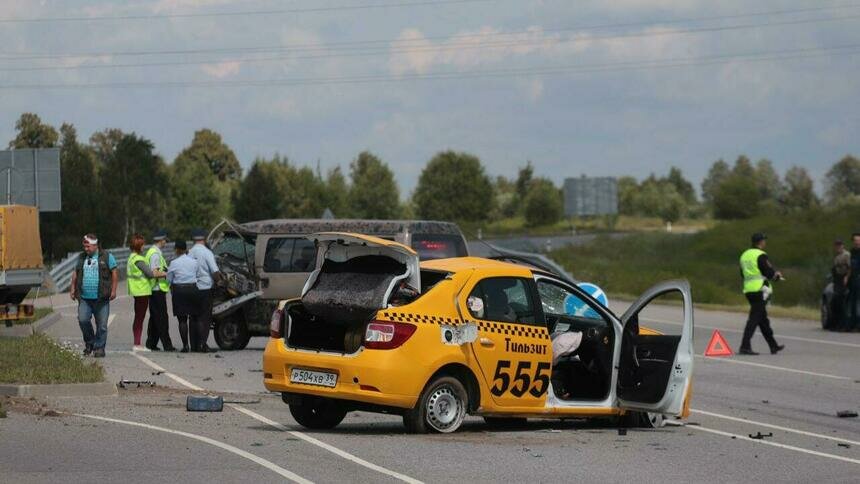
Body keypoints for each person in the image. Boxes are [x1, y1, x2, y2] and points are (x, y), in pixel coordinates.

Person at [69, 234, 118, 358]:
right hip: (84, 298)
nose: (86, 248)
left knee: (102, 325)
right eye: (84, 246)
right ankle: (90, 343)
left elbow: (114, 273)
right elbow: (76, 272)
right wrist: (72, 288)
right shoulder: (81, 257)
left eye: (88, 246)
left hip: (101, 297)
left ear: (95, 245)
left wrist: (113, 290)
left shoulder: (107, 256)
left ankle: (99, 348)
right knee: (83, 320)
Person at [739, 233, 785, 355]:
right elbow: (768, 272)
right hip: (760, 290)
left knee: (762, 319)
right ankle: (745, 345)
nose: (765, 242)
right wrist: (777, 276)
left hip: (749, 290)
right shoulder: (760, 255)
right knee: (754, 319)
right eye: (764, 240)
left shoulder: (744, 255)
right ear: (760, 242)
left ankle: (773, 345)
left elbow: (742, 273)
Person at [127, 234, 162, 351]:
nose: (144, 246)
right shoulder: (138, 259)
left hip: (137, 291)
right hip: (142, 291)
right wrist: (165, 273)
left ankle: (136, 343)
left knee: (138, 317)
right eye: (142, 244)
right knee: (140, 318)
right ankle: (137, 344)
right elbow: (151, 274)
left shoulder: (131, 258)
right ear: (138, 246)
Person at [189, 228, 222, 353]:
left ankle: (194, 345)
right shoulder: (207, 253)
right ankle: (203, 344)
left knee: (193, 317)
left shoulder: (189, 253)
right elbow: (214, 271)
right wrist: (219, 281)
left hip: (192, 288)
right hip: (205, 288)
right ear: (205, 238)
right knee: (204, 318)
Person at [144, 230, 175, 351]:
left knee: (155, 318)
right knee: (162, 318)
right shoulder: (155, 254)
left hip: (155, 289)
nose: (165, 243)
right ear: (161, 240)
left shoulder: (153, 251)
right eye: (165, 241)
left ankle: (151, 343)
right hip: (156, 289)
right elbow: (154, 272)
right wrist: (168, 273)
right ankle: (167, 345)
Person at [167, 240, 200, 353]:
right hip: (193, 289)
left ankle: (186, 346)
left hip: (179, 291)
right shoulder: (194, 262)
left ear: (176, 250)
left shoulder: (173, 263)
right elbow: (198, 275)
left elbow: (169, 280)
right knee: (195, 318)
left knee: (182, 320)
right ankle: (197, 345)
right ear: (186, 249)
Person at [827, 239, 851, 331]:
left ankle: (843, 325)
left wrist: (847, 277)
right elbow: (834, 270)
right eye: (837, 246)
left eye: (840, 245)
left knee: (842, 304)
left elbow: (850, 268)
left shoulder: (846, 255)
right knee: (835, 303)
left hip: (843, 279)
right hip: (837, 280)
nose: (838, 247)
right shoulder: (837, 257)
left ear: (843, 246)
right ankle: (836, 324)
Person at [845, 233, 860, 332]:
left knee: (858, 303)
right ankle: (853, 324)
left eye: (858, 240)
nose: (857, 242)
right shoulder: (851, 252)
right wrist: (846, 277)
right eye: (855, 240)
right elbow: (850, 267)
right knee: (853, 303)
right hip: (853, 281)